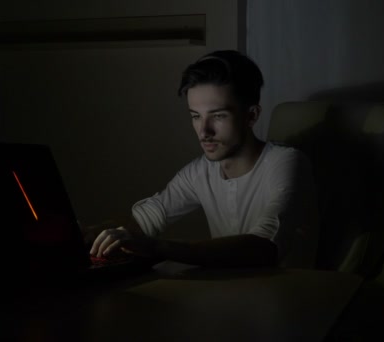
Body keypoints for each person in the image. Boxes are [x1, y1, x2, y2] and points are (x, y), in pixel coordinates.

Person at [88, 50, 319, 268]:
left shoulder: (287, 162)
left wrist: (158, 247)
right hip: (233, 296)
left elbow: (263, 247)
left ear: (251, 115)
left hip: (289, 296)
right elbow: (142, 221)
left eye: (218, 116)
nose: (204, 131)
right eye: (196, 116)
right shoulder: (200, 171)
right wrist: (89, 233)